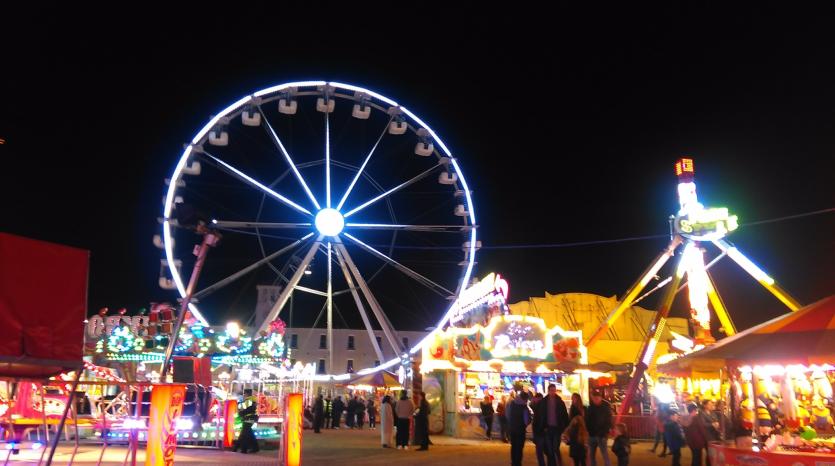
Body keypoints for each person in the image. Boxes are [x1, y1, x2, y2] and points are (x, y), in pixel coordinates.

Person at [533, 383, 570, 466]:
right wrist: (541, 427)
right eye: (551, 390)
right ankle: (552, 463)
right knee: (549, 449)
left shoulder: (560, 402)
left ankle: (553, 462)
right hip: (547, 428)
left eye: (554, 390)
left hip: (557, 428)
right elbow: (539, 415)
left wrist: (565, 428)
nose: (553, 392)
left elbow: (564, 415)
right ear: (548, 391)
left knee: (555, 447)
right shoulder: (543, 402)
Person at [586, 389, 612, 466]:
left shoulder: (605, 408)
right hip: (592, 434)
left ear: (600, 398)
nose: (595, 400)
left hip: (601, 435)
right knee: (591, 455)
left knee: (604, 454)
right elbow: (587, 421)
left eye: (597, 398)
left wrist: (605, 433)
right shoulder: (590, 408)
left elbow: (608, 422)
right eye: (594, 398)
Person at [507, 390, 533, 466]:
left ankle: (513, 462)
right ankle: (517, 463)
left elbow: (508, 415)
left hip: (512, 428)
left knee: (513, 446)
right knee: (519, 447)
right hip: (520, 430)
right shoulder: (524, 407)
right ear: (525, 399)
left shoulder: (512, 403)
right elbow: (526, 421)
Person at [233, 389, 259, 454]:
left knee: (244, 434)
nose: (244, 395)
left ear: (246, 394)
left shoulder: (249, 400)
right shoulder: (252, 400)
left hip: (249, 418)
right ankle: (254, 448)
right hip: (251, 418)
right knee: (248, 433)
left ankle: (243, 449)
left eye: (244, 394)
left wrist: (238, 402)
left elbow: (240, 407)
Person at [531, 393, 547, 466]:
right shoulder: (541, 405)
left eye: (536, 398)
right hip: (540, 430)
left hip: (540, 431)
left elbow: (540, 419)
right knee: (542, 450)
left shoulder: (540, 406)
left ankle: (542, 464)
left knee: (540, 450)